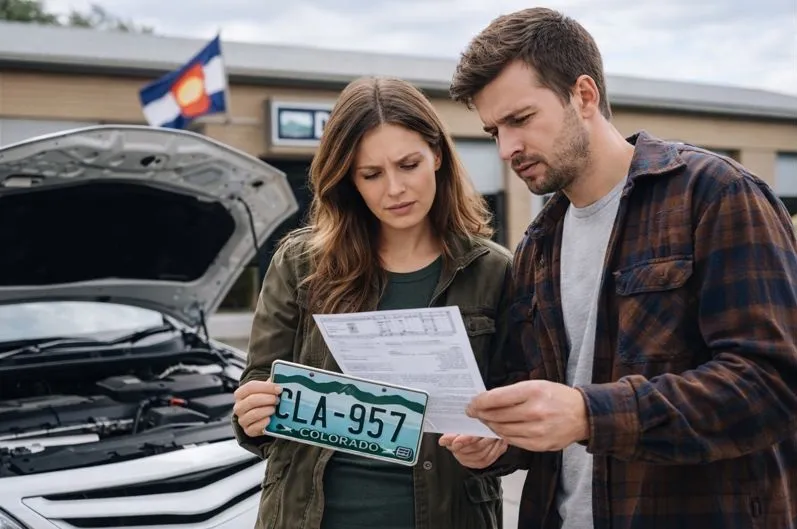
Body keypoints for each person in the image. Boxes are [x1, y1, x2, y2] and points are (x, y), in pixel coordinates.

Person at [439, 7, 797, 529]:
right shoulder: (538, 245)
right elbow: (543, 408)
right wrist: (501, 441)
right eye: (494, 130)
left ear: (584, 96)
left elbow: (771, 385)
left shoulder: (714, 194)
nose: (506, 148)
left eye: (520, 119)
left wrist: (590, 413)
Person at [231, 76, 528, 529]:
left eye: (408, 165)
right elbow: (259, 385)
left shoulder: (494, 271)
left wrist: (497, 447)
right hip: (308, 516)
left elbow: (520, 409)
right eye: (371, 174)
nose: (394, 189)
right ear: (349, 180)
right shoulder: (300, 262)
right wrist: (251, 414)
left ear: (438, 156)